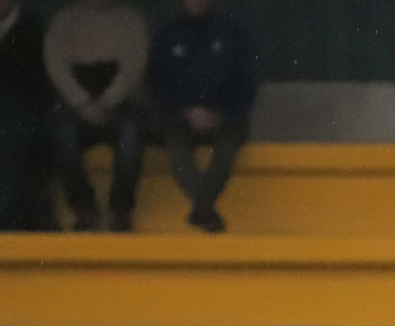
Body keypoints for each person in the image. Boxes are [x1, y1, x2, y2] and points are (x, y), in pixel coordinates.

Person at [146, 0, 257, 233]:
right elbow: (155, 84)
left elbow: (246, 84)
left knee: (227, 147)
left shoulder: (229, 33)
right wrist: (186, 112)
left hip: (222, 117)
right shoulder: (168, 34)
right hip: (179, 117)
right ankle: (205, 208)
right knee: (175, 147)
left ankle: (202, 207)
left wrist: (218, 113)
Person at [44, 0, 147, 232]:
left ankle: (121, 209)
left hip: (119, 101)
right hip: (75, 102)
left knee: (131, 134)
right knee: (62, 134)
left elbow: (133, 67)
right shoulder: (64, 20)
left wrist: (108, 101)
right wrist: (81, 102)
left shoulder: (131, 20)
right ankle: (84, 209)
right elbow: (56, 65)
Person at [0, 0, 57, 231]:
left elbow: (39, 88)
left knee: (13, 141)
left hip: (24, 117)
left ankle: (9, 220)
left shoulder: (35, 31)